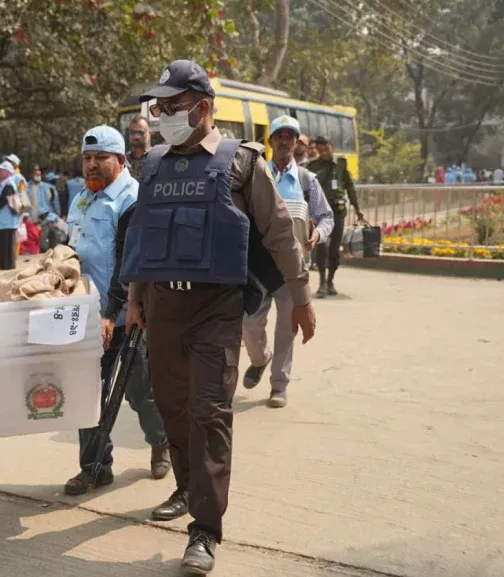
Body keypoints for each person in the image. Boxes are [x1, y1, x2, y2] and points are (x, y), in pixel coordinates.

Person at [120, 60, 317, 574]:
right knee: (173, 407)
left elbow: (279, 231)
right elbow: (143, 236)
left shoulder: (242, 163)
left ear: (203, 107)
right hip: (162, 307)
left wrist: (300, 296)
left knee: (208, 412)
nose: (162, 115)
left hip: (216, 309)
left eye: (172, 106)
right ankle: (187, 488)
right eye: (158, 107)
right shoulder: (153, 164)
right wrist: (136, 298)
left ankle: (205, 530)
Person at [62, 125, 171, 496]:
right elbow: (72, 250)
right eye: (86, 158)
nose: (91, 165)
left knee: (140, 392)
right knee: (88, 392)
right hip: (88, 315)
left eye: (100, 158)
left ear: (121, 160)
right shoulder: (81, 198)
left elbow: (129, 262)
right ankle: (95, 467)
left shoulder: (132, 200)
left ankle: (160, 441)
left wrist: (111, 313)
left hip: (129, 315)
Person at [242, 116, 333, 409]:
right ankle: (260, 358)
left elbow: (326, 216)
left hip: (292, 270)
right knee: (248, 322)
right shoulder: (257, 176)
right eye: (279, 136)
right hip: (259, 266)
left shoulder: (307, 181)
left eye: (289, 136)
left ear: (296, 143)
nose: (284, 141)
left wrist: (318, 234)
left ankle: (278, 385)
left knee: (287, 329)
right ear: (270, 142)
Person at [306, 135, 363, 298]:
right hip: (321, 211)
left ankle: (331, 280)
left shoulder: (341, 164)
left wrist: (357, 209)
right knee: (322, 245)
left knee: (335, 247)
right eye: (320, 150)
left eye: (326, 149)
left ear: (331, 146)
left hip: (338, 209)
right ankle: (322, 282)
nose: (324, 152)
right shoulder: (312, 166)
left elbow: (350, 187)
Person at [0, 160, 24, 270]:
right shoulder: (4, 182)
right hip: (4, 219)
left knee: (7, 242)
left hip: (8, 219)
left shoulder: (9, 183)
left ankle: (8, 264)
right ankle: (5, 264)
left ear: (7, 171)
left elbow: (4, 197)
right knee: (5, 242)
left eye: (2, 170)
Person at [126, 115, 151, 180]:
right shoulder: (123, 161)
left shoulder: (157, 158)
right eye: (132, 133)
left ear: (149, 133)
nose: (136, 137)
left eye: (140, 133)